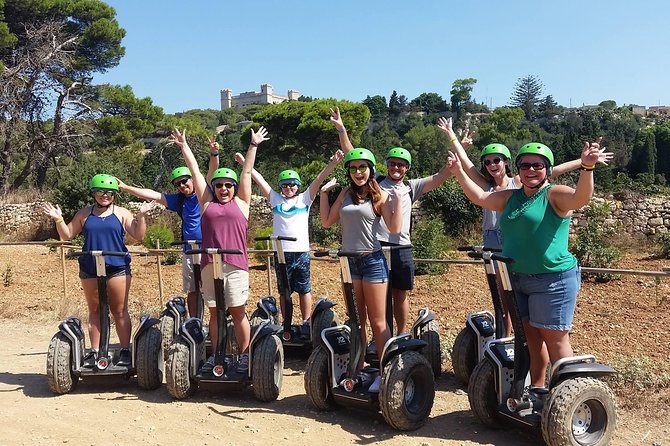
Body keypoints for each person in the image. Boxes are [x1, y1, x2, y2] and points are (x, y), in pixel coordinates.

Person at [446, 139, 602, 389]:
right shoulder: (511, 197)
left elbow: (581, 197)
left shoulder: (554, 194)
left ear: (547, 169)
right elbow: (480, 197)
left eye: (537, 165)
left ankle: (565, 396)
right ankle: (537, 389)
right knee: (529, 339)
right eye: (525, 165)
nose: (531, 170)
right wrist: (458, 173)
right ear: (518, 169)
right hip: (517, 279)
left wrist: (587, 168)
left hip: (552, 280)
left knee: (555, 340)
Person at [437, 116, 612, 336]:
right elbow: (465, 164)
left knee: (513, 297)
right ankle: (508, 337)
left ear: (507, 162)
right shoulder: (487, 184)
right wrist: (451, 136)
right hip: (494, 239)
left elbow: (553, 170)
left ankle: (512, 337)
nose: (492, 165)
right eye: (488, 162)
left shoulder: (520, 183)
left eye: (496, 161)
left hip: (515, 241)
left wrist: (585, 163)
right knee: (504, 296)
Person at [330, 107, 453, 335]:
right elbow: (354, 154)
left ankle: (402, 333)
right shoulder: (375, 182)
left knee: (400, 293)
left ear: (407, 168)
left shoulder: (410, 187)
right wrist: (342, 130)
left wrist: (454, 158)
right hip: (376, 246)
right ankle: (379, 337)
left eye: (401, 165)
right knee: (379, 296)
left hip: (401, 246)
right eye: (393, 163)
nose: (397, 168)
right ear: (386, 165)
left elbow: (439, 178)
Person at [169, 126, 269, 374]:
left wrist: (253, 145)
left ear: (234, 187)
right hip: (209, 265)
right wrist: (184, 146)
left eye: (228, 185)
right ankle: (218, 356)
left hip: (235, 266)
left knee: (237, 312)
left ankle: (245, 358)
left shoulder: (242, 204)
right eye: (219, 185)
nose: (224, 188)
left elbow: (246, 172)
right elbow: (195, 171)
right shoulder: (206, 203)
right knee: (214, 312)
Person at [41, 174, 155, 367]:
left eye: (110, 193)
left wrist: (142, 216)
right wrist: (58, 219)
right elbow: (67, 236)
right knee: (94, 311)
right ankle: (95, 352)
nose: (105, 196)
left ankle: (125, 350)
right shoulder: (84, 214)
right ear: (93, 194)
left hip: (117, 266)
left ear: (115, 195)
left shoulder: (121, 213)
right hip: (90, 266)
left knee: (119, 311)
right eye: (101, 192)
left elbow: (138, 235)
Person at [320, 147, 403, 392]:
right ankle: (356, 369)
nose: (358, 172)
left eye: (363, 168)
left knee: (378, 322)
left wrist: (396, 201)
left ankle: (385, 372)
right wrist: (324, 194)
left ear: (371, 169)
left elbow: (395, 229)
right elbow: (326, 222)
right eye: (354, 168)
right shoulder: (345, 193)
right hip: (349, 263)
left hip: (372, 261)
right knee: (357, 321)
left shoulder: (379, 195)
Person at [234, 149, 344, 329]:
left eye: (292, 184)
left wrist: (332, 163)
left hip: (301, 252)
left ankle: (306, 322)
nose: (288, 188)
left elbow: (318, 180)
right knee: (284, 291)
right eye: (285, 185)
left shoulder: (304, 199)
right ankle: (287, 323)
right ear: (280, 187)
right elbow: (259, 179)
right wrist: (244, 162)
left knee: (304, 289)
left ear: (298, 185)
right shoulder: (275, 199)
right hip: (282, 254)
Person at [117, 140, 220, 317]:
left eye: (184, 181)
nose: (182, 185)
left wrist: (214, 153)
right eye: (177, 183)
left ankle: (215, 325)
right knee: (193, 291)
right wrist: (126, 188)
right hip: (189, 249)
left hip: (209, 248)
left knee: (212, 292)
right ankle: (194, 323)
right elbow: (153, 195)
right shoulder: (178, 200)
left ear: (193, 180)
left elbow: (212, 171)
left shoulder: (206, 192)